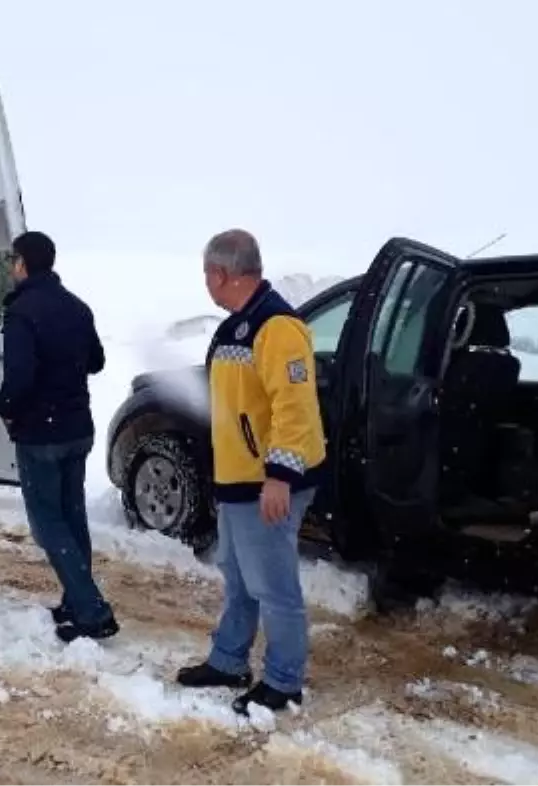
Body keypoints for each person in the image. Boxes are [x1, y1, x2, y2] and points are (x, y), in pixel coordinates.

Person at [175, 229, 326, 715]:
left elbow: (295, 408)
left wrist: (279, 475)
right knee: (239, 577)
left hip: (268, 482)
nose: (206, 283)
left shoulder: (277, 327)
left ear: (221, 273)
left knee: (272, 584)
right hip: (238, 481)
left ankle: (284, 681)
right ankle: (228, 660)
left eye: (206, 275)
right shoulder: (236, 325)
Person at [0, 230, 118, 643]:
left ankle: (90, 609)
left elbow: (19, 378)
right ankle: (74, 598)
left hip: (40, 435)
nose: (12, 268)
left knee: (48, 523)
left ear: (23, 264)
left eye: (13, 260)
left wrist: (6, 409)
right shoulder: (77, 308)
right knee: (71, 516)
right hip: (77, 429)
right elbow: (98, 362)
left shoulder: (22, 313)